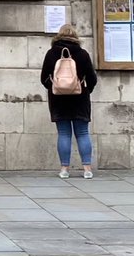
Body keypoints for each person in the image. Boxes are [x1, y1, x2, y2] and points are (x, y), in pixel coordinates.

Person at [40, 24, 98, 179]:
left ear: (59, 35)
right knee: (83, 133)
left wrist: (55, 88)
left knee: (64, 134)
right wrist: (86, 90)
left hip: (58, 99)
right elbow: (92, 78)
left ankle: (64, 169)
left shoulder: (51, 53)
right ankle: (87, 169)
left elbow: (44, 78)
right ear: (75, 36)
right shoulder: (82, 54)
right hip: (80, 98)